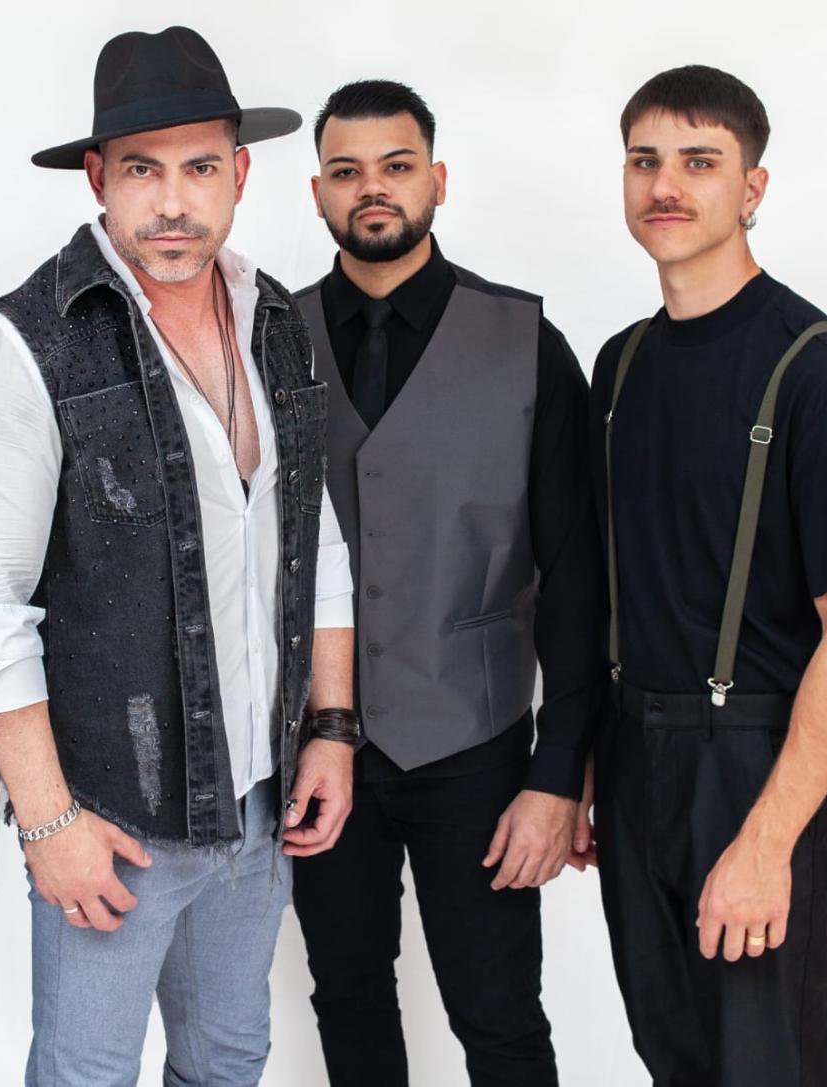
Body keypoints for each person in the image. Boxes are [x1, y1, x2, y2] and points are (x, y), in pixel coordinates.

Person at [0, 26, 357, 1086]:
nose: (173, 202)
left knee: (230, 1059)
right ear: (98, 178)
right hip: (112, 819)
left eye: (199, 168)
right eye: (141, 170)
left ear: (240, 174)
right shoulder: (26, 341)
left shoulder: (274, 319)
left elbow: (314, 535)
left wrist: (331, 728)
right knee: (87, 1074)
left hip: (259, 802)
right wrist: (49, 821)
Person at [290, 80, 606, 1086]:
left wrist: (557, 772)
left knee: (499, 1015)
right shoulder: (268, 338)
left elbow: (575, 576)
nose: (371, 188)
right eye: (346, 171)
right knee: (346, 995)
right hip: (317, 743)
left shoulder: (527, 343)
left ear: (436, 179)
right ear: (317, 192)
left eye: (395, 166)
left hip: (476, 746)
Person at [590, 65, 827, 1086]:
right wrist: (592, 765)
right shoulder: (620, 364)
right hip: (635, 761)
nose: (665, 185)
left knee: (764, 1065)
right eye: (644, 161)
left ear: (751, 187)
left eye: (698, 161)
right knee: (672, 1058)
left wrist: (768, 840)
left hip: (756, 764)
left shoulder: (822, 374)